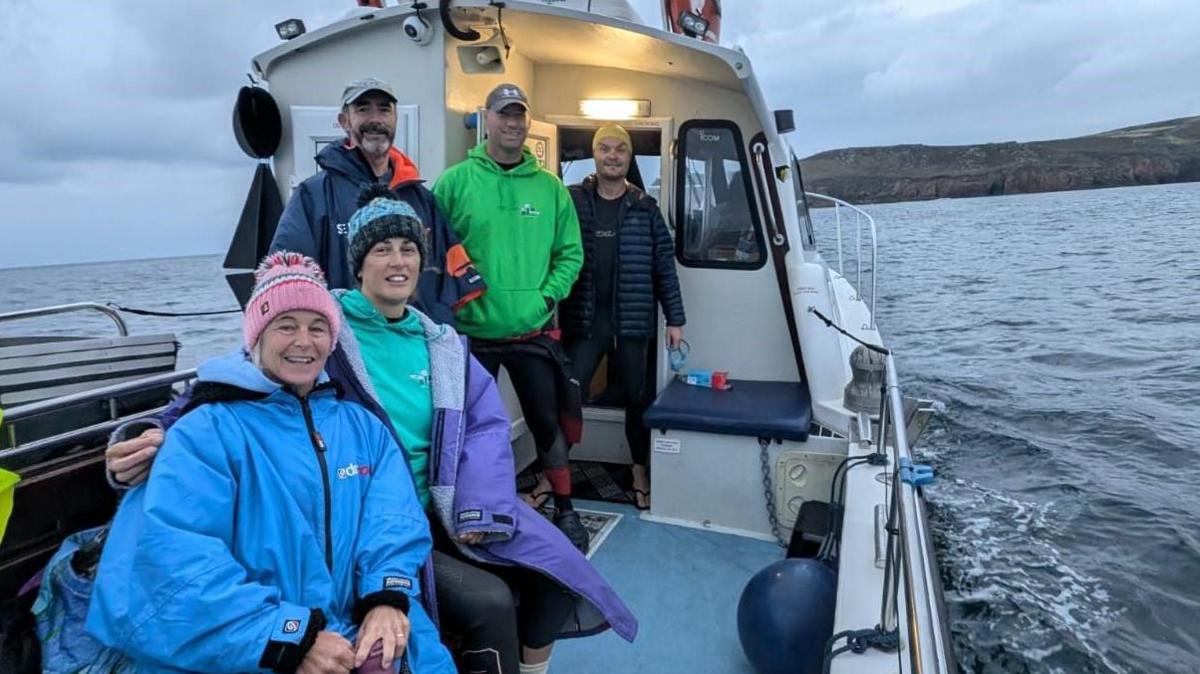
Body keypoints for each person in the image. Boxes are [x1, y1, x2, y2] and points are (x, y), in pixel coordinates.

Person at [105, 194, 637, 674]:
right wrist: (158, 428)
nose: (398, 260)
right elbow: (233, 381)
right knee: (490, 601)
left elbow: (484, 428)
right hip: (367, 506)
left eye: (408, 247)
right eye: (382, 248)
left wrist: (481, 504)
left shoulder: (443, 344)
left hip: (447, 504)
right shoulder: (326, 328)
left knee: (556, 573)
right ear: (358, 263)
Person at [87, 252, 454, 674]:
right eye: (286, 326)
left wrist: (386, 597)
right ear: (256, 336)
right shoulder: (206, 432)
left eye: (318, 328)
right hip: (252, 644)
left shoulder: (362, 427)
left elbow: (393, 520)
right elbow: (175, 564)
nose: (304, 341)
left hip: (353, 624)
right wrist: (287, 637)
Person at [432, 83, 588, 551]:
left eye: (520, 115)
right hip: (472, 336)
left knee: (547, 423)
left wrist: (546, 297)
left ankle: (565, 509)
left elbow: (570, 255)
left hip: (530, 331)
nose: (513, 123)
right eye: (504, 114)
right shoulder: (454, 182)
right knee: (465, 428)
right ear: (488, 119)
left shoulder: (551, 189)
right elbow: (434, 252)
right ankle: (462, 508)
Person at [271, 76, 484, 326]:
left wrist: (434, 331)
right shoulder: (313, 196)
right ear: (344, 121)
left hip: (412, 344)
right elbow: (287, 277)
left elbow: (451, 277)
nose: (375, 119)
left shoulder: (423, 200)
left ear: (395, 119)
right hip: (345, 344)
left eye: (384, 110)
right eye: (363, 109)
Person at [561, 125, 686, 511]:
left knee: (637, 398)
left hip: (633, 321)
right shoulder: (573, 200)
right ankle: (557, 473)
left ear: (628, 158)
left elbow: (665, 267)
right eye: (604, 148)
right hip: (585, 320)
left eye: (620, 150)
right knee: (569, 395)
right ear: (594, 155)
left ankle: (639, 471)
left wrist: (676, 320)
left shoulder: (645, 209)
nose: (612, 156)